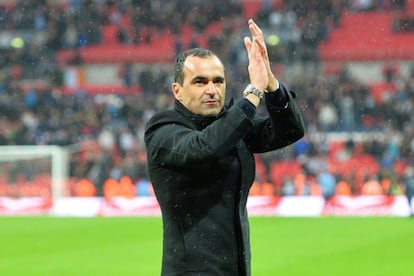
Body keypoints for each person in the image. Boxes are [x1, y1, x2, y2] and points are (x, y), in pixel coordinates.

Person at [144, 19, 305, 275]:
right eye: (200, 82)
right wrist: (253, 93)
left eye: (218, 81)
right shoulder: (162, 130)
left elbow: (290, 130)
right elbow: (203, 147)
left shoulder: (232, 125)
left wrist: (271, 83)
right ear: (178, 91)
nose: (212, 90)